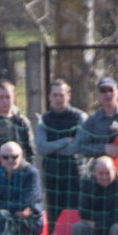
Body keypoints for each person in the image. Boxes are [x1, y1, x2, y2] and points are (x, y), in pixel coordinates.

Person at [36, 79, 87, 217]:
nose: (58, 98)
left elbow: (77, 147)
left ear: (69, 96)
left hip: (74, 173)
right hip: (52, 175)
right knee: (54, 215)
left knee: (74, 214)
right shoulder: (44, 119)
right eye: (55, 95)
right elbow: (40, 147)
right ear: (49, 97)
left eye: (62, 95)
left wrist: (52, 147)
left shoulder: (79, 117)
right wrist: (64, 141)